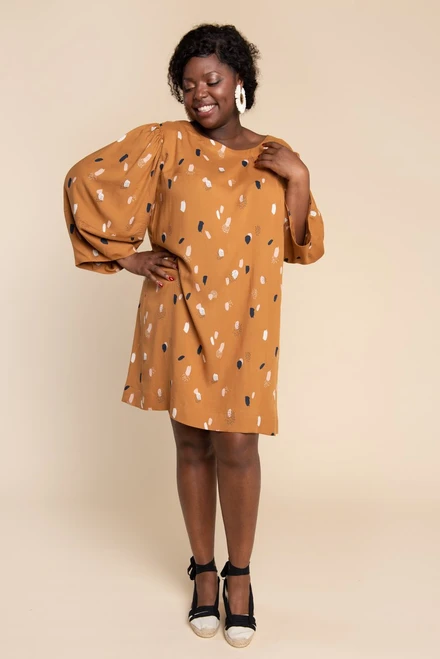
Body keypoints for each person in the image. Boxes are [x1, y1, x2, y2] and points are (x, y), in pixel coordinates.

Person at [63, 23, 324, 648]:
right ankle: (203, 571)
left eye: (213, 80)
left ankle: (240, 576)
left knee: (238, 447)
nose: (200, 93)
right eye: (188, 84)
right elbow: (83, 181)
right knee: (191, 446)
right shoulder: (164, 142)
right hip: (177, 311)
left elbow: (301, 246)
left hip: (247, 320)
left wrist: (300, 177)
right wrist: (126, 256)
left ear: (241, 82)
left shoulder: (275, 153)